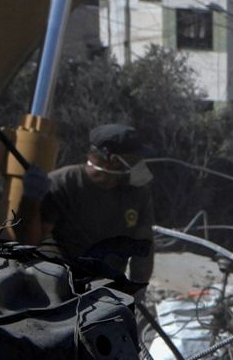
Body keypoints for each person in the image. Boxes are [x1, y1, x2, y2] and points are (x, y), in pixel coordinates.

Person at [30, 122, 156, 290]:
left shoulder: (137, 193)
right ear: (114, 160)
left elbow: (143, 247)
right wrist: (29, 200)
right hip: (57, 285)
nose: (141, 166)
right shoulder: (62, 184)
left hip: (106, 289)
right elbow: (32, 240)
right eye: (135, 160)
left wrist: (137, 290)